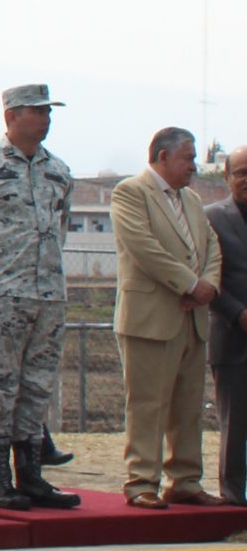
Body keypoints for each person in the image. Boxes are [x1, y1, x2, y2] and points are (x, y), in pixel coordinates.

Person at [0, 86, 82, 509]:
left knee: (37, 384)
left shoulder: (58, 169)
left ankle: (32, 475)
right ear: (11, 116)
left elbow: (60, 227)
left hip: (49, 293)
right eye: (36, 112)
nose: (45, 119)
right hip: (4, 290)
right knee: (2, 383)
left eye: (48, 112)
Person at [109, 127, 224, 508]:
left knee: (188, 406)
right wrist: (190, 284)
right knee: (148, 404)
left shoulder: (191, 199)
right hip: (150, 319)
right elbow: (144, 248)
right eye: (188, 158)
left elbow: (211, 248)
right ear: (163, 157)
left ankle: (185, 480)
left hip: (192, 319)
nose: (193, 166)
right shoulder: (131, 193)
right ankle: (142, 481)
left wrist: (208, 286)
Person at [204, 155, 247, 504]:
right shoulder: (212, 217)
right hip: (232, 338)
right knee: (234, 425)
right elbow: (207, 276)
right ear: (227, 177)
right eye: (242, 172)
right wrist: (238, 314)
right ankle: (234, 500)